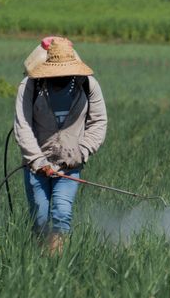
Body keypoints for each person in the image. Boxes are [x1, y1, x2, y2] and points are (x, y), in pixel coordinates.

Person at [13, 37, 108, 252]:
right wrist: (37, 160)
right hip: (36, 165)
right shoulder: (30, 86)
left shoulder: (88, 85)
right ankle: (39, 256)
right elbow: (23, 125)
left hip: (70, 165)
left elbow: (98, 122)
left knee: (62, 214)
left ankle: (56, 261)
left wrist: (82, 152)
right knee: (39, 218)